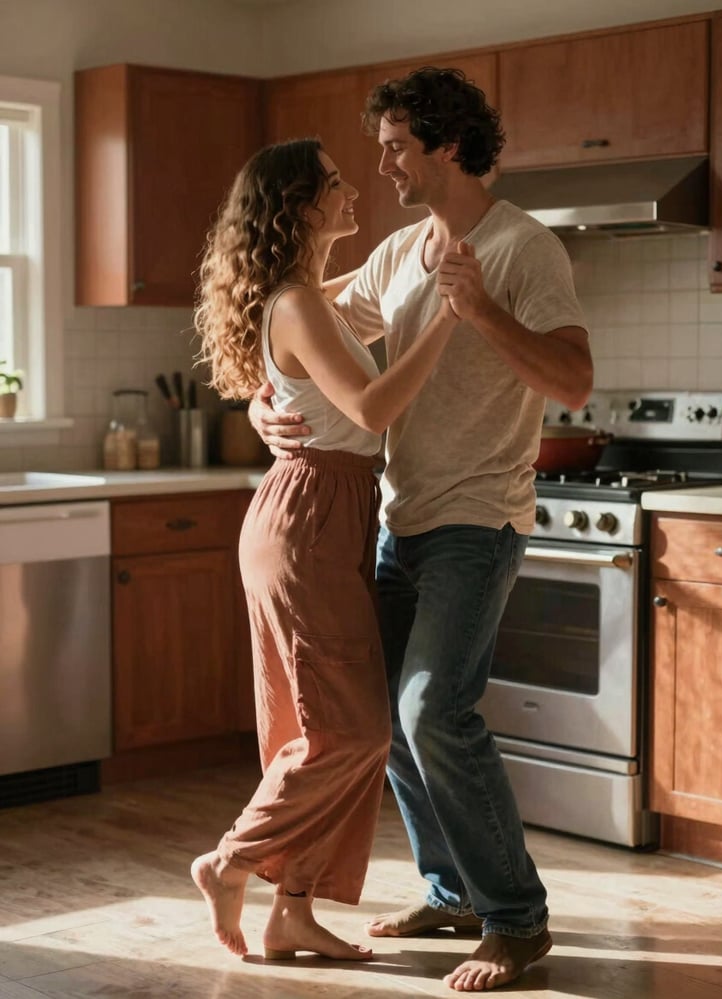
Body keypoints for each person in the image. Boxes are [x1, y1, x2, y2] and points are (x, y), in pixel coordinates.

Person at [250, 67, 593, 993]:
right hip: (397, 519)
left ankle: (516, 920)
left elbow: (572, 381)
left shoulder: (524, 249)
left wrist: (477, 310)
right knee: (386, 724)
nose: (384, 163)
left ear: (446, 145)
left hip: (479, 519)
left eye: (397, 145)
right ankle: (452, 891)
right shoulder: (400, 253)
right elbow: (300, 334)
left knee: (429, 708)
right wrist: (259, 405)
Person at [190, 137, 460, 963]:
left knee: (316, 724)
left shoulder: (307, 292)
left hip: (327, 512)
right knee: (351, 730)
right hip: (308, 517)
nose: (355, 190)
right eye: (337, 183)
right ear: (303, 204)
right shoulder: (300, 304)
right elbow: (373, 407)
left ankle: (293, 911)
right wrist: (452, 314)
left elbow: (312, 344)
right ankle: (231, 858)